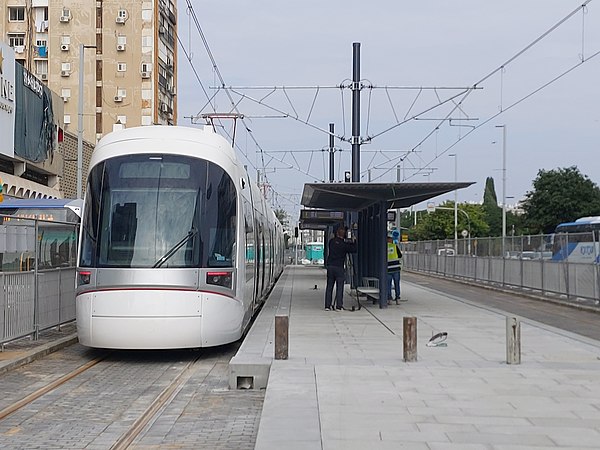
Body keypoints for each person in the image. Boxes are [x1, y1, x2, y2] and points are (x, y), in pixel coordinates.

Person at [324, 225, 357, 311]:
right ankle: (339, 306)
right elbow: (354, 249)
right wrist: (354, 240)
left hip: (330, 266)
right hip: (339, 267)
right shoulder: (344, 245)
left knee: (329, 287)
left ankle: (327, 305)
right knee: (340, 287)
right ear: (344, 234)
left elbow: (334, 241)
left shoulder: (331, 242)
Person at [387, 234, 404, 304]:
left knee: (388, 285)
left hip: (388, 269)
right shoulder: (394, 246)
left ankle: (389, 299)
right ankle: (397, 298)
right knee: (397, 284)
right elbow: (400, 255)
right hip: (396, 269)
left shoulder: (384, 247)